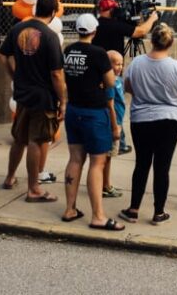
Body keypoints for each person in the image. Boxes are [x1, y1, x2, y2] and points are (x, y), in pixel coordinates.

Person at [119, 25, 177, 225]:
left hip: (141, 118)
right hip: (169, 119)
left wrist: (144, 95)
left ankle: (134, 208)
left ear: (151, 41)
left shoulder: (136, 64)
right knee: (162, 166)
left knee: (142, 164)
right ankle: (158, 212)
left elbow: (127, 87)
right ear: (171, 43)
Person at [60, 14, 124, 230]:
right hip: (94, 113)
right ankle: (98, 215)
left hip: (74, 109)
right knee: (98, 162)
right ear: (95, 31)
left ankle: (70, 208)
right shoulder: (98, 53)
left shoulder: (69, 50)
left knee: (75, 159)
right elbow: (110, 83)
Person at [1, 0, 67, 202]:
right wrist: (63, 100)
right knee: (36, 141)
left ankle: (10, 177)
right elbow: (56, 74)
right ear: (54, 12)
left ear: (36, 8)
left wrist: (14, 75)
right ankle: (34, 189)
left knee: (19, 138)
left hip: (23, 92)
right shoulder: (49, 36)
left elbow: (3, 55)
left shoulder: (17, 29)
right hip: (42, 95)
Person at [94, 0, 159, 57]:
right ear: (111, 10)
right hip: (113, 64)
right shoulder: (116, 25)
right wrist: (152, 19)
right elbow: (141, 31)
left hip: (97, 61)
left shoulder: (94, 23)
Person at [102, 50, 127, 197]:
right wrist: (115, 126)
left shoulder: (117, 79)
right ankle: (105, 185)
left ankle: (105, 183)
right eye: (116, 63)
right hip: (113, 122)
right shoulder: (109, 81)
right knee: (106, 156)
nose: (120, 67)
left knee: (109, 156)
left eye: (121, 64)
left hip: (117, 121)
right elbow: (109, 104)